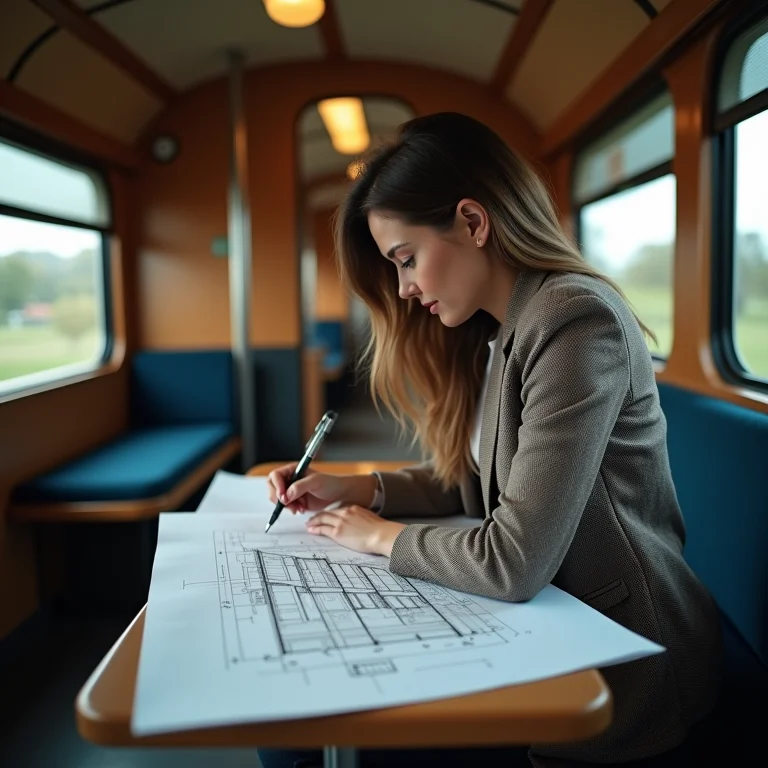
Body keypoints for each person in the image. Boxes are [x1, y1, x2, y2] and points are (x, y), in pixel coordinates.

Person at [259, 113, 721, 768]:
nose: (403, 288)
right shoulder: (499, 331)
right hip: (546, 623)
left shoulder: (573, 321)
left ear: (474, 223)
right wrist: (356, 487)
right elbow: (480, 479)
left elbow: (512, 558)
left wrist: (376, 534)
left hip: (621, 656)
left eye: (407, 259)